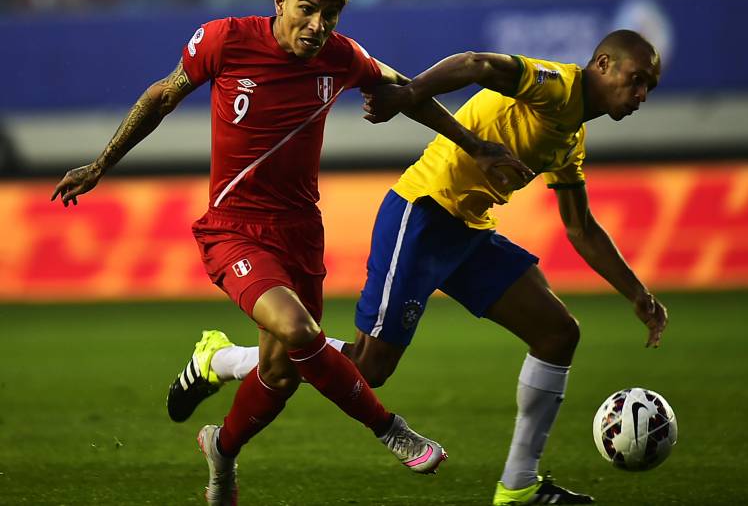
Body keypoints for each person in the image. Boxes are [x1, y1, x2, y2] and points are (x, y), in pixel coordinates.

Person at [51, 0, 534, 506]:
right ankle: (391, 430)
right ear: (280, 2)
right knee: (302, 334)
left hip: (301, 234)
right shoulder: (225, 39)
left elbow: (406, 92)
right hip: (233, 229)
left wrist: (477, 146)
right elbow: (162, 95)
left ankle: (221, 450)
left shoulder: (341, 57)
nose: (317, 25)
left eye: (329, 15)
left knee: (279, 375)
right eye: (307, 9)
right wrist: (100, 164)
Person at [165, 29, 669, 504]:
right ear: (602, 64)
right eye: (636, 79)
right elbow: (475, 64)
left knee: (558, 333)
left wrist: (636, 293)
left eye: (649, 87)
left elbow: (581, 228)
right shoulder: (557, 85)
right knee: (368, 369)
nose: (642, 94)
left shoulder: (571, 136)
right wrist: (407, 96)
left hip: (468, 232)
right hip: (423, 213)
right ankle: (223, 359)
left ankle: (519, 487)